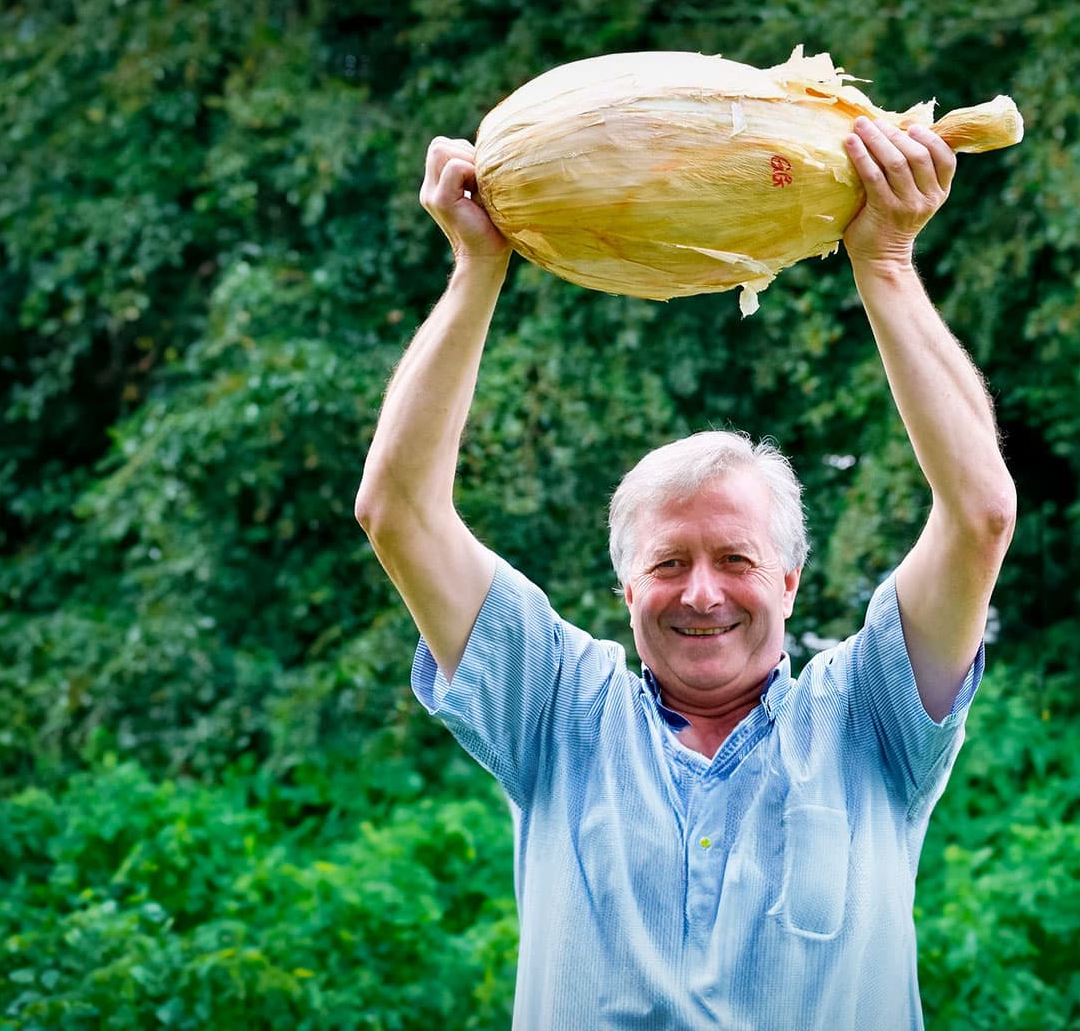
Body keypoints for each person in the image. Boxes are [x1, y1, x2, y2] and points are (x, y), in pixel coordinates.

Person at [354, 115, 1017, 1029]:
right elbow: (398, 513)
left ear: (788, 581)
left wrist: (888, 263)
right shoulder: (555, 710)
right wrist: (477, 270)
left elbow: (981, 513)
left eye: (736, 559)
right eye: (668, 563)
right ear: (628, 589)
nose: (701, 593)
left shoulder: (871, 714)